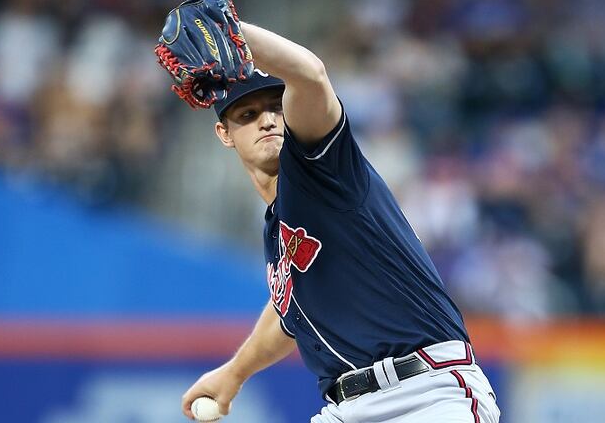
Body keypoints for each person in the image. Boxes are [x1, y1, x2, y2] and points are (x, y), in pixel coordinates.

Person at [179, 21, 500, 423]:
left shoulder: (324, 167)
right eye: (248, 114)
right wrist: (234, 373)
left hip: (428, 393)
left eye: (277, 107)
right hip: (348, 408)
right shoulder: (277, 229)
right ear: (224, 134)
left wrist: (226, 28)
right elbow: (289, 313)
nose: (267, 120)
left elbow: (310, 74)